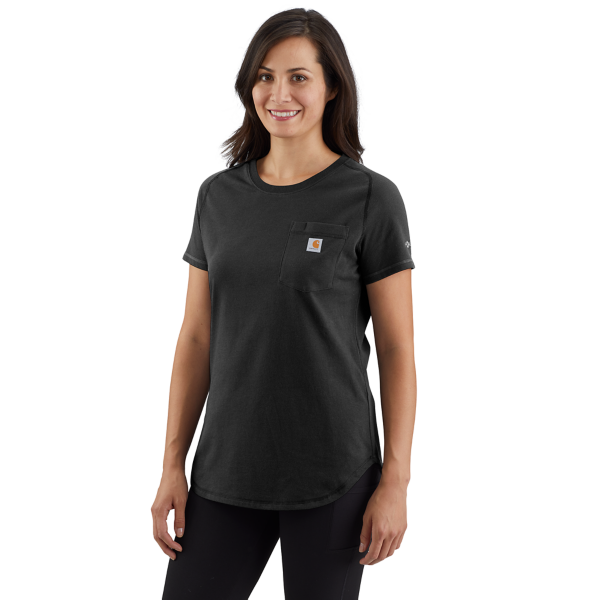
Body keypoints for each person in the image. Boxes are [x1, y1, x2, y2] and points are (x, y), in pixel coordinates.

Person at [152, 8, 417, 600]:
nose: (279, 94)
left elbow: (398, 348)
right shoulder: (218, 197)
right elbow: (196, 337)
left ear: (332, 87)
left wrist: (395, 480)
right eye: (265, 76)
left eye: (299, 77)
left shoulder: (370, 197)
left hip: (335, 475)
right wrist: (172, 464)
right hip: (226, 470)